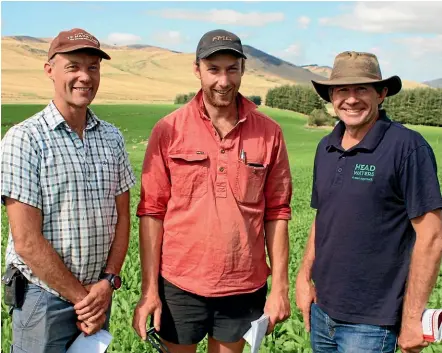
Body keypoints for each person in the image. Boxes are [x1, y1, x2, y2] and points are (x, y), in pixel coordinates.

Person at [132, 29, 293, 353]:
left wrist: (280, 287)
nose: (223, 80)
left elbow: (277, 211)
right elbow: (152, 211)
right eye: (214, 69)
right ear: (197, 70)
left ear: (243, 70)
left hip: (243, 285)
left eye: (232, 69)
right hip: (180, 283)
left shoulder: (269, 133)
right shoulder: (169, 129)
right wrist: (150, 289)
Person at [295, 51, 442, 353]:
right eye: (342, 90)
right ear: (331, 97)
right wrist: (303, 277)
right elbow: (323, 218)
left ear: (381, 93)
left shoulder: (407, 147)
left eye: (362, 88)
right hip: (322, 312)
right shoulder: (326, 147)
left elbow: (432, 235)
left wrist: (412, 318)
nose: (351, 99)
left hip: (372, 324)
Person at [1, 28, 136, 353]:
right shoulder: (25, 140)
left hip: (97, 295)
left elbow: (122, 218)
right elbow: (27, 241)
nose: (84, 77)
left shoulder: (112, 138)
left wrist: (108, 282)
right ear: (50, 70)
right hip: (43, 299)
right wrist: (83, 300)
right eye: (73, 66)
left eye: (93, 67)